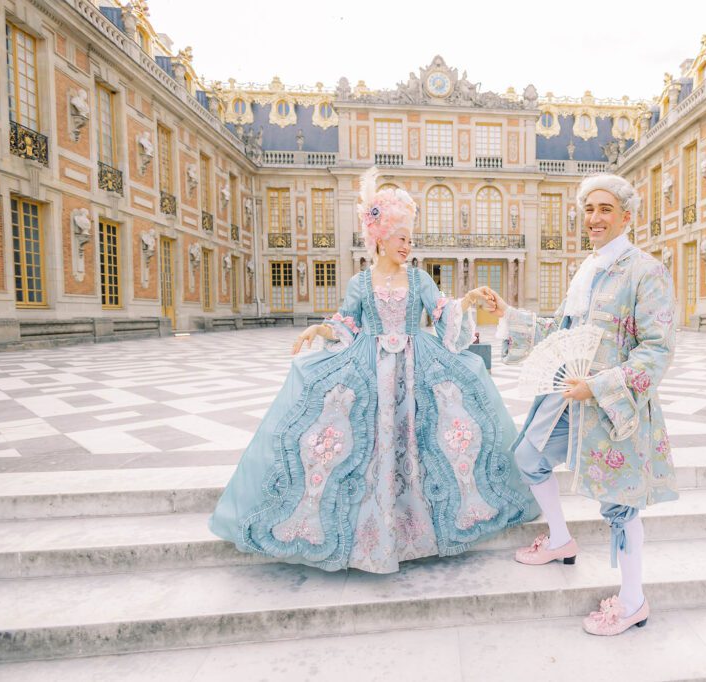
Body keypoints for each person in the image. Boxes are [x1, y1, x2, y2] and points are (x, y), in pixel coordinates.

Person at [209, 168, 538, 573]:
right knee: (355, 441)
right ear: (381, 236)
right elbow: (348, 323)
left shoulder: (419, 278)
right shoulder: (360, 283)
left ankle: (419, 527)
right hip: (370, 367)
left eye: (411, 239)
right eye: (402, 238)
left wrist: (466, 300)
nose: (408, 245)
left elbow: (441, 314)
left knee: (433, 437)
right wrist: (321, 328)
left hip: (418, 366)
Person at [484, 173, 678, 635]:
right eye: (589, 209)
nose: (594, 218)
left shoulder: (645, 271)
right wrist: (510, 315)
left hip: (611, 406)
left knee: (619, 505)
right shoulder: (587, 268)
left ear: (626, 216)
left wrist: (599, 386)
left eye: (605, 209)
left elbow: (657, 350)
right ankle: (560, 538)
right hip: (566, 398)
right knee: (529, 455)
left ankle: (633, 602)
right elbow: (563, 333)